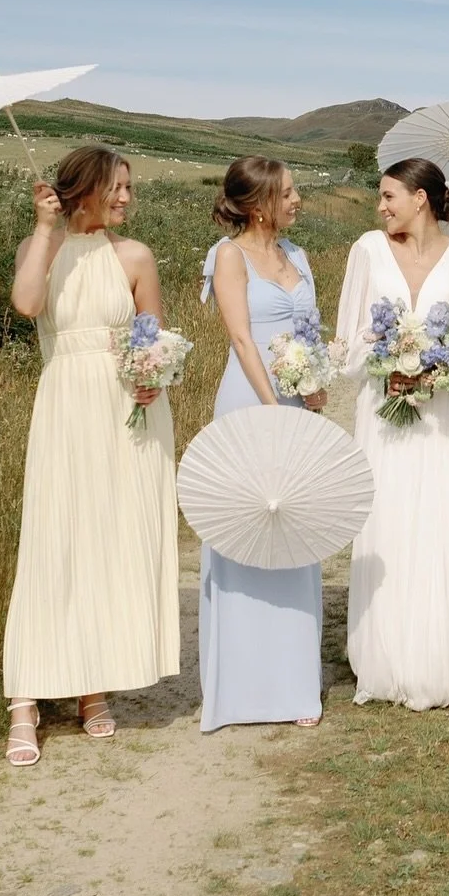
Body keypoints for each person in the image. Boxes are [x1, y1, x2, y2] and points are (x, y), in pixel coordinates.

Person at [2, 145, 180, 765]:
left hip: (128, 412)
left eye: (130, 187)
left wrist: (153, 374)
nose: (127, 198)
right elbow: (27, 306)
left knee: (106, 543)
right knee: (53, 543)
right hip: (66, 408)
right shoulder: (40, 250)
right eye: (117, 187)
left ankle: (90, 688)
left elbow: (152, 335)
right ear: (83, 189)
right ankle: (24, 701)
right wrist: (45, 228)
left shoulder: (135, 256)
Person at [335, 157, 449, 710]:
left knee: (443, 518)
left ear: (421, 198)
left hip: (445, 412)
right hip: (384, 406)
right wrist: (390, 360)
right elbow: (348, 338)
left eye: (389, 196)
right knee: (389, 516)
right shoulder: (367, 249)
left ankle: (446, 654)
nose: (380, 206)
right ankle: (385, 654)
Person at [198, 156, 325, 732]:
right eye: (290, 192)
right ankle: (243, 689)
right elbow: (243, 340)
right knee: (248, 535)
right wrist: (276, 409)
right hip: (252, 404)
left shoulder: (296, 256)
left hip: (299, 404)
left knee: (296, 536)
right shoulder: (230, 255)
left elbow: (309, 331)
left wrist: (315, 386)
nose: (298, 200)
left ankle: (295, 684)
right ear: (258, 204)